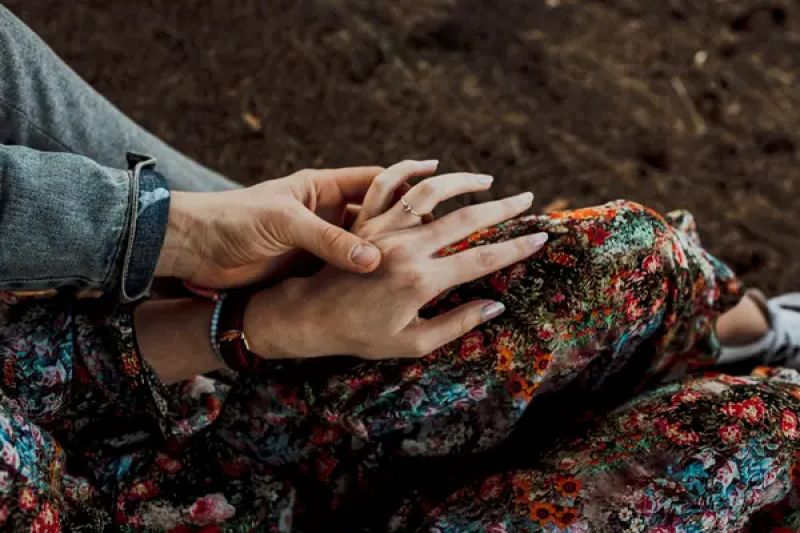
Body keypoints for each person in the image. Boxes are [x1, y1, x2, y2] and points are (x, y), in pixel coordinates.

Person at [2, 5, 800, 532]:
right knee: (750, 437)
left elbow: (47, 368)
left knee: (616, 260)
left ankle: (737, 331)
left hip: (183, 406)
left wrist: (264, 310)